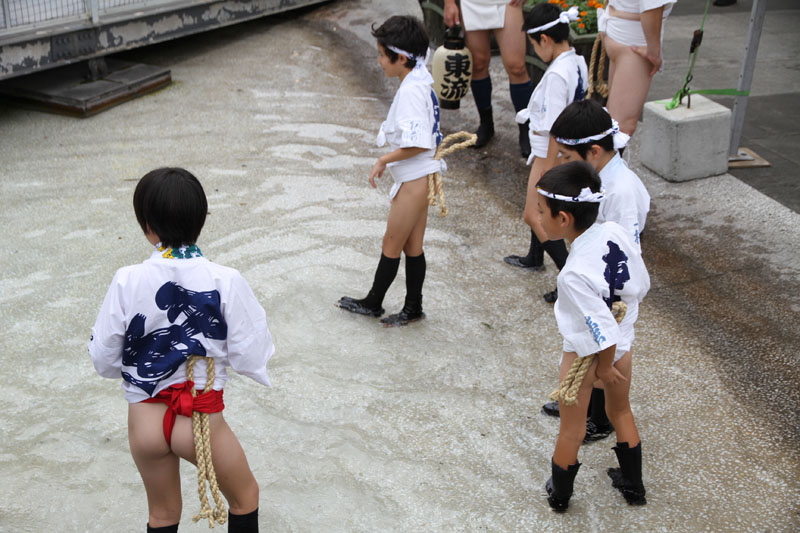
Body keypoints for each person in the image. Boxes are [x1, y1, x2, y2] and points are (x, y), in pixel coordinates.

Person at [89, 168, 273, 533]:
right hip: (200, 420)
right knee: (245, 497)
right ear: (201, 219)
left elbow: (104, 358)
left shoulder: (126, 279)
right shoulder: (225, 279)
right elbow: (251, 357)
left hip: (144, 422)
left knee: (162, 514)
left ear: (147, 226)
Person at [535, 161, 650, 511]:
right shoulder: (613, 230)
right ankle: (634, 487)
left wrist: (603, 367)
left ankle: (559, 496)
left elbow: (601, 329)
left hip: (587, 356)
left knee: (572, 430)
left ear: (563, 219)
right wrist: (617, 348)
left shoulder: (572, 274)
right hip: (623, 344)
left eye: (541, 211)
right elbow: (640, 283)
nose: (537, 217)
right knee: (621, 412)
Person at [540, 99, 651, 442]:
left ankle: (600, 420)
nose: (561, 162)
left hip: (610, 290)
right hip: (594, 280)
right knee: (590, 349)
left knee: (605, 352)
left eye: (566, 156)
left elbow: (626, 251)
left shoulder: (621, 190)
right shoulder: (599, 177)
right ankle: (584, 405)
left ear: (594, 151)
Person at [336, 15, 442, 327]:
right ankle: (413, 307)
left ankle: (373, 302)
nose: (379, 61)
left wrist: (384, 159)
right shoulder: (419, 82)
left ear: (401, 58)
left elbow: (419, 143)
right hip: (422, 177)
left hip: (414, 179)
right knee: (413, 246)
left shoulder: (411, 92)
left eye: (383, 55)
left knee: (391, 244)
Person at [503, 3, 588, 305]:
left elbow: (554, 128)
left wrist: (550, 170)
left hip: (549, 154)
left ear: (545, 39)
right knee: (540, 211)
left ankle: (570, 278)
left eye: (533, 45)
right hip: (565, 151)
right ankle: (534, 256)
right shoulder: (577, 61)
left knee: (533, 213)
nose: (534, 52)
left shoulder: (556, 76)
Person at [443, 0, 533, 156]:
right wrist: (449, 3)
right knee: (478, 64)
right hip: (472, 3)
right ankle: (486, 123)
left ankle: (526, 127)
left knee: (517, 67)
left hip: (508, 3)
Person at [599, 0, 676, 136]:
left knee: (613, 120)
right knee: (622, 127)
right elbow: (652, 6)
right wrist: (654, 51)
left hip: (620, 30)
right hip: (633, 42)